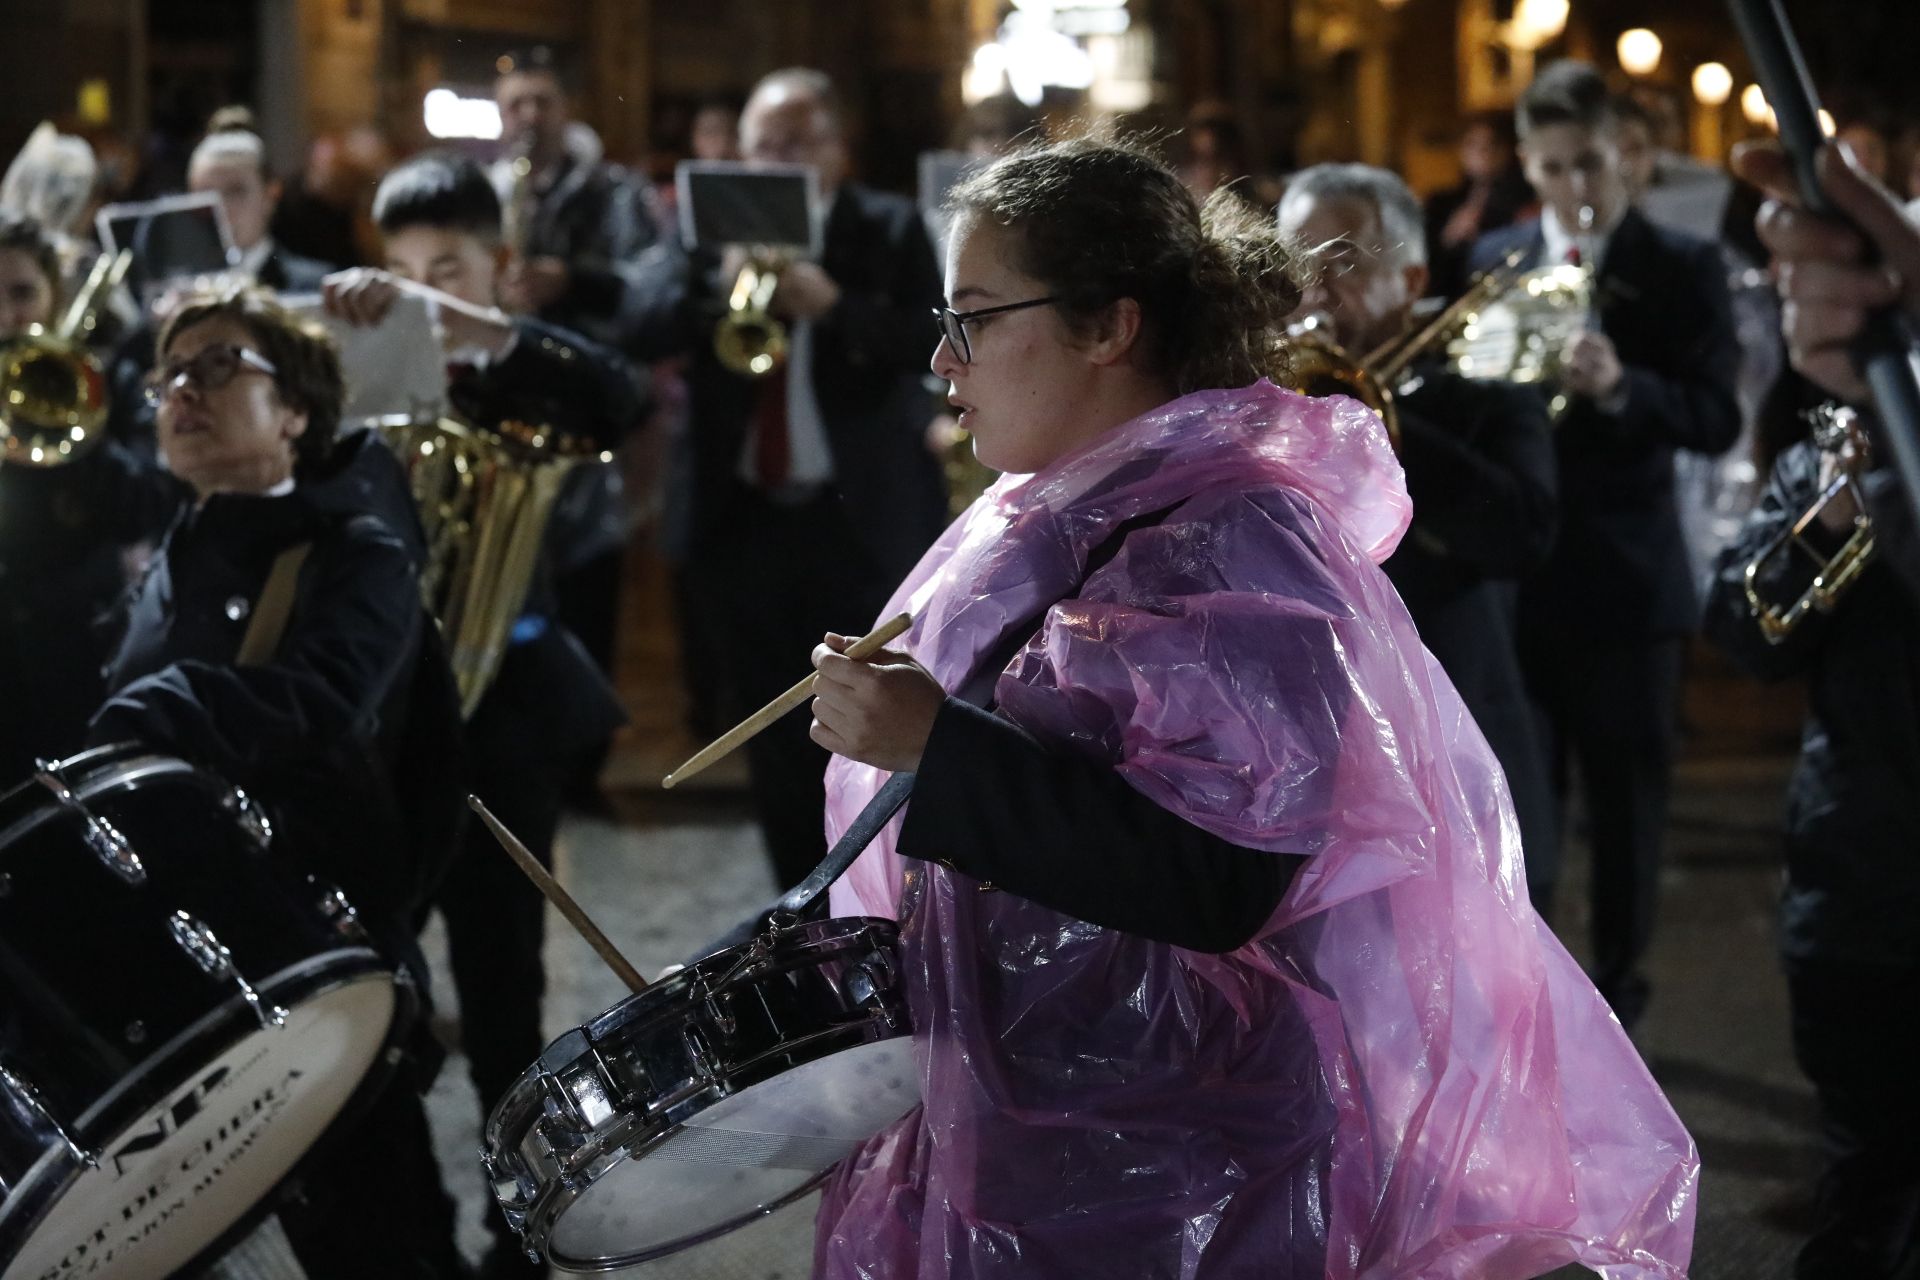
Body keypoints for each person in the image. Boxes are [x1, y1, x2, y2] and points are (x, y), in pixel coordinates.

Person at [804, 135, 1694, 1279]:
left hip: (1175, 1163)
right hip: (1042, 1115)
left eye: (972, 315)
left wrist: (935, 743)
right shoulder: (1064, 503)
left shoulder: (1235, 531)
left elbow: (1229, 874)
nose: (939, 356)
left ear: (1110, 326)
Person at [89, 286, 466, 1278]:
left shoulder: (354, 550)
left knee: (382, 1241)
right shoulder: (166, 553)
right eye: (169, 376)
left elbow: (321, 703)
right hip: (186, 961)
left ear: (296, 412)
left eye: (219, 366)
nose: (184, 391)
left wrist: (168, 702)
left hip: (312, 956)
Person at [322, 147, 639, 1280]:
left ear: (499, 272)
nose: (415, 290)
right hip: (377, 731)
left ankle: (523, 1237)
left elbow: (620, 394)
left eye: (446, 268)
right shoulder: (351, 367)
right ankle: (401, 1235)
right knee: (376, 996)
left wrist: (474, 331)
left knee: (506, 993)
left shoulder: (522, 364)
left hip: (501, 717)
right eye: (399, 269)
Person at [626, 67, 948, 889]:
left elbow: (928, 342)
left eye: (794, 144)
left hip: (857, 521)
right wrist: (716, 277)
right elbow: (640, 319)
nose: (774, 160)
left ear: (837, 150)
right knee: (769, 732)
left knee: (867, 725)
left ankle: (874, 902)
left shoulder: (885, 223)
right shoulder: (708, 227)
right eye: (762, 145)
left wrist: (836, 307)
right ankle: (796, 908)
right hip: (744, 520)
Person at [1467, 61, 1741, 1028]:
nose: (1574, 191)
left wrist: (1625, 388)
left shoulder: (1680, 264)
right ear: (1528, 168)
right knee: (1517, 822)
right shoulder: (1493, 259)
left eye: (1589, 164)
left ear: (1623, 156)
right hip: (1519, 593)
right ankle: (1531, 1019)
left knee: (1628, 824)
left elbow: (1714, 416)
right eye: (1552, 170)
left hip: (1627, 590)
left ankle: (1622, 1010)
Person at [1717, 136, 1920, 1280]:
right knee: (1863, 1195)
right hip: (1864, 884)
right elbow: (1741, 629)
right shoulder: (1831, 443)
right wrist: (1834, 522)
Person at [1278, 162, 1562, 908]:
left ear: (1411, 279)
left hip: (1453, 766)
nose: (1314, 286)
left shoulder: (1487, 400)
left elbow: (1526, 532)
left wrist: (1375, 426)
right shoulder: (1261, 411)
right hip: (1310, 774)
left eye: (1341, 260)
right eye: (1295, 263)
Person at [0, 213, 183, 785]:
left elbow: (150, 504)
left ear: (55, 292)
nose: (7, 316)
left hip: (77, 649)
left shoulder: (107, 378)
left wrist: (72, 432)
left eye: (23, 292)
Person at [189, 108, 336, 292]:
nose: (221, 208)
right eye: (205, 195)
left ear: (270, 195)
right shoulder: (174, 289)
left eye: (235, 192)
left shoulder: (314, 286)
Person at [1423, 111, 1534, 299]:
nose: (1483, 152)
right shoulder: (1440, 203)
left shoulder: (1526, 203)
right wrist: (1448, 238)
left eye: (1493, 144)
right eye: (1472, 144)